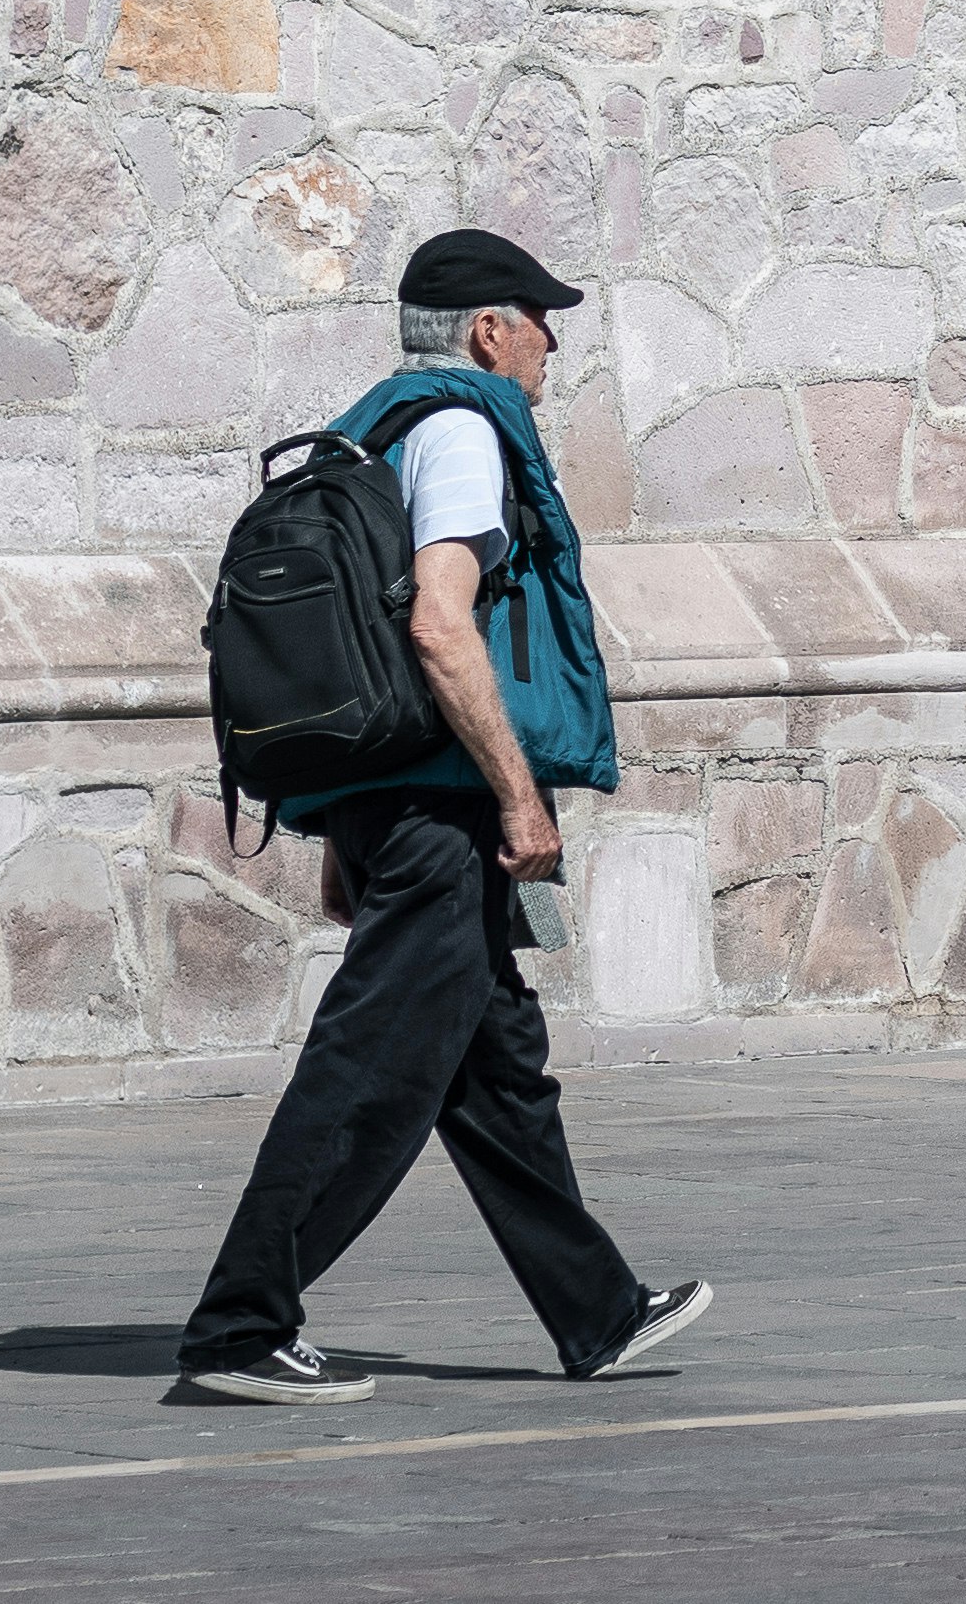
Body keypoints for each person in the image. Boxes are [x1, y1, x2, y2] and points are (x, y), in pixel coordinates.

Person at [174, 228, 710, 1404]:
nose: (552, 341)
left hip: (387, 801)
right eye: (538, 317)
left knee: (497, 1070)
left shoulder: (373, 425)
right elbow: (435, 624)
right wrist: (519, 796)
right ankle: (238, 1323)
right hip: (440, 809)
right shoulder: (464, 430)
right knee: (367, 1072)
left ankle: (597, 1308)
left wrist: (336, 830)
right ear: (485, 329)